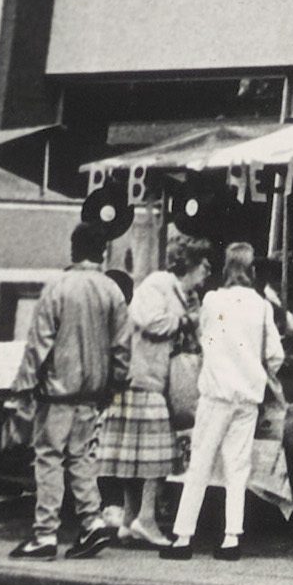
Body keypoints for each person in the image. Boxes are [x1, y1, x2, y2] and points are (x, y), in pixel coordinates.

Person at [10, 222, 135, 559]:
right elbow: (122, 346)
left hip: (57, 389)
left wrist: (23, 386)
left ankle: (45, 534)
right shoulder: (112, 291)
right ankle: (92, 521)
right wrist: (115, 383)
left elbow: (39, 343)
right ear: (103, 252)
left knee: (49, 457)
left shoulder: (58, 287)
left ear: (73, 249)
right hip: (92, 391)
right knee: (82, 456)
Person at [167, 240, 283, 559]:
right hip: (247, 396)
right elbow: (275, 355)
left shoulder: (212, 300)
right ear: (251, 269)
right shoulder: (262, 305)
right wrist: (257, 372)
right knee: (237, 467)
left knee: (200, 463)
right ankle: (231, 537)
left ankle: (183, 538)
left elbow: (203, 337)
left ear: (226, 268)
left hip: (216, 392)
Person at [98, 231, 198, 546]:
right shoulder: (158, 284)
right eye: (204, 264)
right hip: (143, 377)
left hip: (145, 378)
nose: (207, 271)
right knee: (158, 454)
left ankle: (130, 519)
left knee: (135, 454)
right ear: (190, 264)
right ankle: (147, 518)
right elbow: (151, 322)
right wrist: (186, 321)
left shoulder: (175, 291)